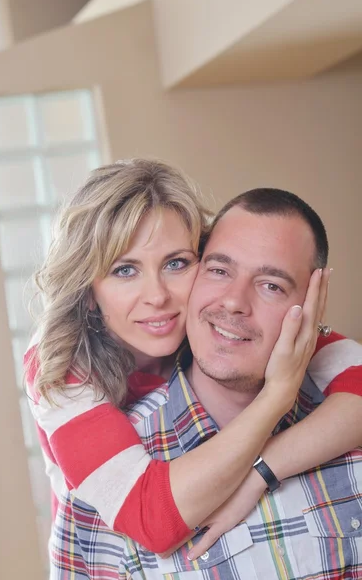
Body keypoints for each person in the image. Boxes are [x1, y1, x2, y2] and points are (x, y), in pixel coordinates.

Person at [25, 160, 362, 558]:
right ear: (88, 291)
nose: (157, 296)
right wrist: (278, 395)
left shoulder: (216, 322)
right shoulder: (60, 369)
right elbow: (151, 517)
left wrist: (263, 472)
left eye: (175, 264)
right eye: (125, 270)